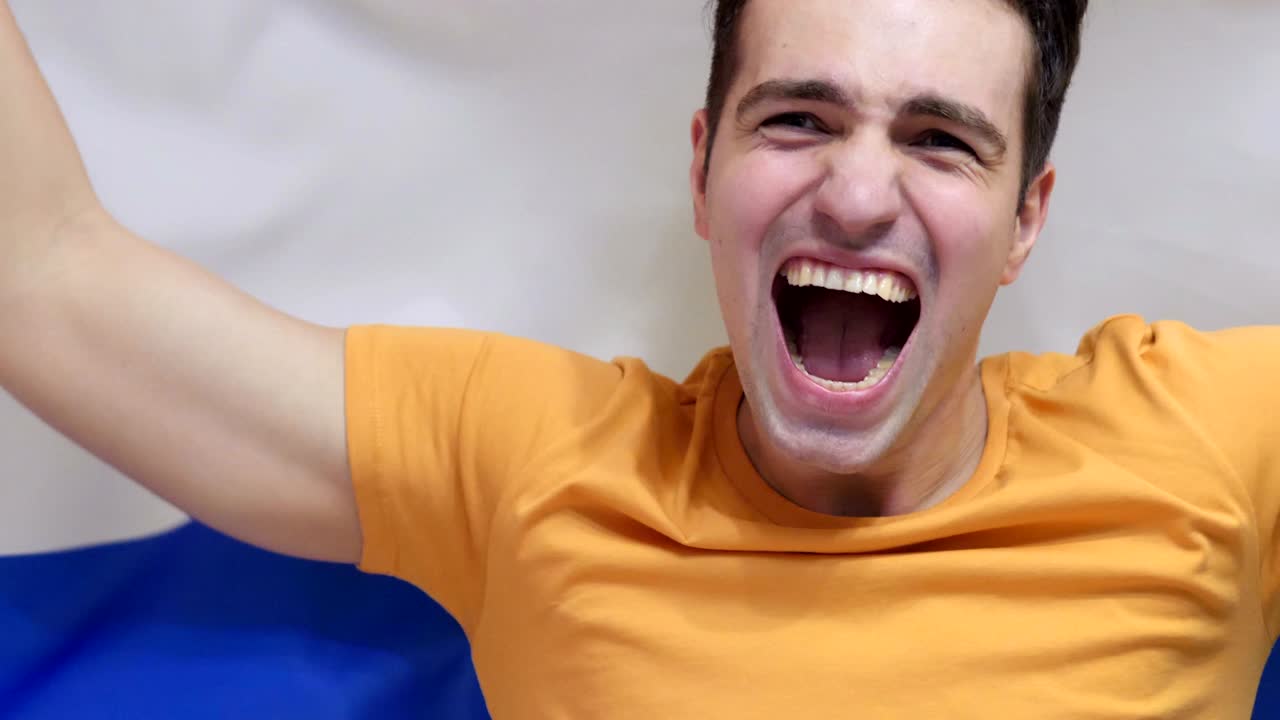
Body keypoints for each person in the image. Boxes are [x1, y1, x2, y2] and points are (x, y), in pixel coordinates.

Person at [2, 0, 1277, 717]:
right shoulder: (533, 465)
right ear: (703, 169)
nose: (854, 193)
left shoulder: (1201, 440)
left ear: (1024, 220)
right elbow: (43, 276)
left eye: (938, 141)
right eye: (798, 117)